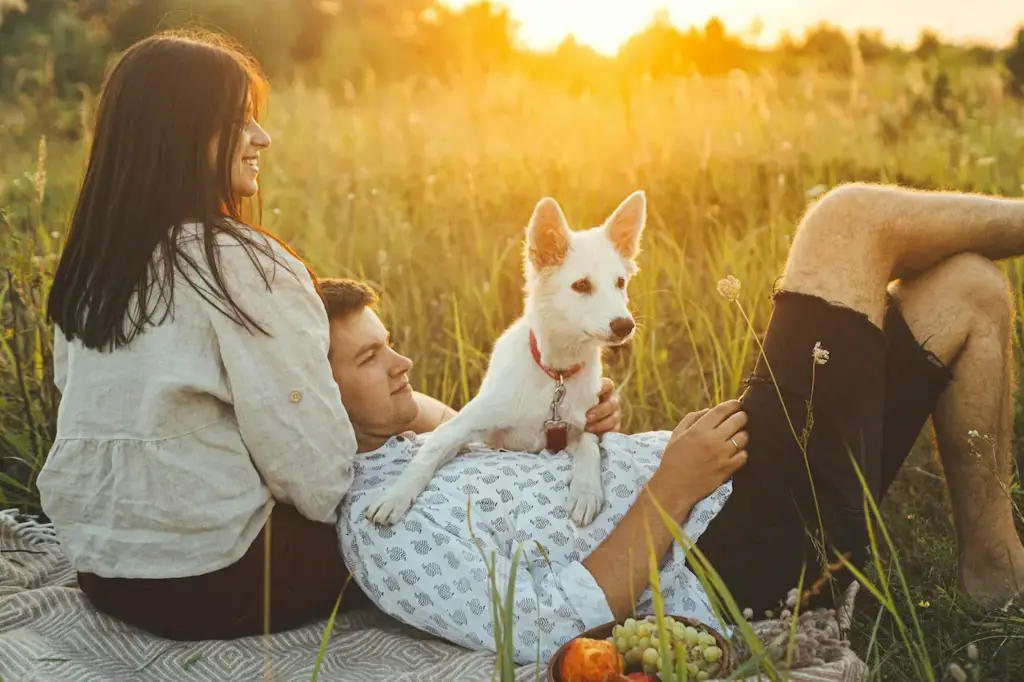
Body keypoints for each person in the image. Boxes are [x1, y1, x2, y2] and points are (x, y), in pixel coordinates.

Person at [32, 29, 618, 641]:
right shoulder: (243, 266)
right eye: (241, 122)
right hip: (217, 581)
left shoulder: (93, 269)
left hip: (103, 570)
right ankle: (583, 589)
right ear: (181, 135)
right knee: (432, 509)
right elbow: (316, 481)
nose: (262, 138)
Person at [323, 182, 1024, 665]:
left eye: (390, 342)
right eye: (369, 357)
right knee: (846, 221)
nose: (402, 360)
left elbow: (514, 429)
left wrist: (590, 432)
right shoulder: (383, 525)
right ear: (318, 390)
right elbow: (550, 624)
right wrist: (671, 486)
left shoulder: (431, 441)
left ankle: (993, 573)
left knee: (970, 289)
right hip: (724, 563)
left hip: (728, 480)